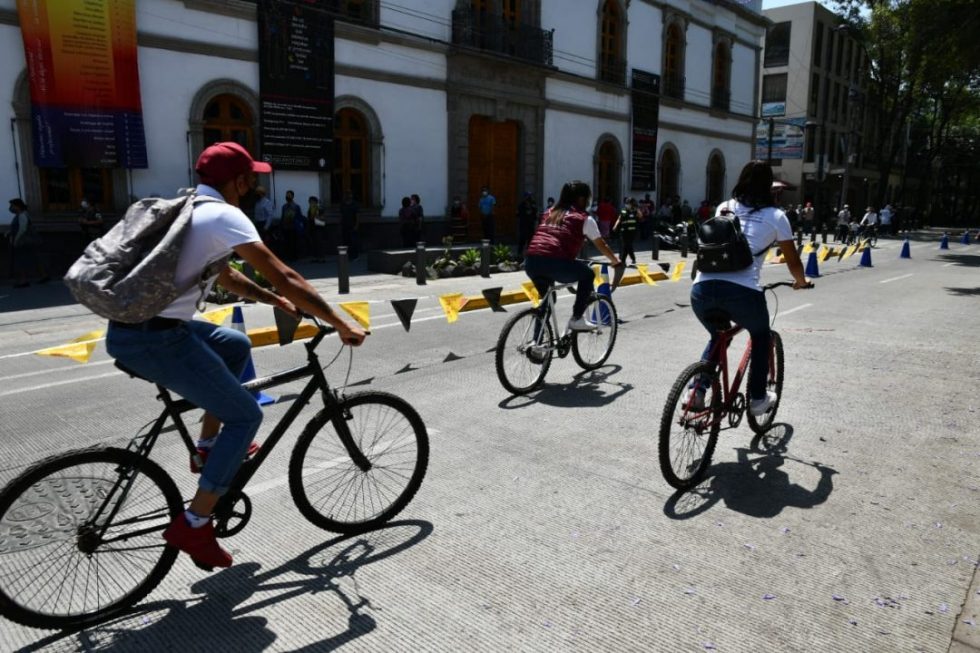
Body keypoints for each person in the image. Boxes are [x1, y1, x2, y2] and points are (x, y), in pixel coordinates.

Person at [104, 142, 366, 569]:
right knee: (246, 415)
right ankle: (195, 522)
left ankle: (206, 446)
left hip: (141, 328)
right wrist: (339, 321)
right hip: (156, 338)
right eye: (251, 179)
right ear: (238, 181)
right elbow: (285, 273)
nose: (254, 187)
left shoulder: (190, 207)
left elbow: (230, 277)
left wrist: (273, 301)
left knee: (235, 345)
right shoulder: (225, 215)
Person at [689, 161, 809, 416]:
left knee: (718, 335)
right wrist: (801, 281)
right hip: (742, 293)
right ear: (769, 186)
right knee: (761, 335)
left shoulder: (725, 207)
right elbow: (792, 260)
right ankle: (757, 399)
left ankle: (696, 391)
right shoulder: (776, 216)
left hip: (701, 289)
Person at [524, 180, 622, 332]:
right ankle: (577, 318)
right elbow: (601, 245)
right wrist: (615, 261)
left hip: (531, 261)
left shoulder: (549, 212)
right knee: (587, 275)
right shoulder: (583, 218)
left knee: (547, 302)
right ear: (582, 199)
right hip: (556, 262)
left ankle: (536, 345)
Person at [8, 198, 49, 288]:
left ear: (17, 206)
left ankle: (23, 281)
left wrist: (16, 240)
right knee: (35, 258)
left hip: (24, 242)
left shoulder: (22, 215)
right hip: (27, 241)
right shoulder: (20, 215)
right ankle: (43, 276)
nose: (10, 208)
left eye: (12, 206)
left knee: (21, 261)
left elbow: (22, 229)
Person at [613, 197, 640, 264]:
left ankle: (625, 260)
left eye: (628, 203)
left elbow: (640, 216)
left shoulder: (635, 211)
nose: (627, 205)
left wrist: (637, 208)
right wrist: (615, 226)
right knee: (627, 245)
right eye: (626, 203)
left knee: (628, 245)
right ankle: (628, 259)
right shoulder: (624, 211)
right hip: (624, 232)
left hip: (632, 232)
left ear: (632, 204)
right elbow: (619, 218)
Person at [280, 190, 304, 260]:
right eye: (287, 195)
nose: (287, 196)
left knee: (293, 242)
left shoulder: (296, 206)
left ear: (292, 196)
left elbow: (299, 217)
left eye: (289, 195)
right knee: (286, 242)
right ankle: (288, 256)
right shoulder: (284, 206)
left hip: (293, 227)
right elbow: (283, 216)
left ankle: (294, 256)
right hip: (285, 227)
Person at [516, 192, 538, 256]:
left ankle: (530, 253)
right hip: (523, 225)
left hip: (530, 225)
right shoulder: (521, 205)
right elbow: (518, 214)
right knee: (522, 240)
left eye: (529, 197)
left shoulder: (533, 205)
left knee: (530, 240)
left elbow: (535, 215)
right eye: (527, 197)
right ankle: (519, 253)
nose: (528, 199)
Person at [339, 192, 359, 259]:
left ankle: (354, 256)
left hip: (352, 225)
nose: (348, 196)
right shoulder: (343, 204)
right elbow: (341, 215)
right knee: (345, 241)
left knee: (353, 242)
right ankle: (345, 256)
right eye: (346, 194)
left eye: (349, 194)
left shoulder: (355, 204)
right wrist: (341, 223)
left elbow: (357, 216)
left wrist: (356, 225)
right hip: (344, 226)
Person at [307, 196, 325, 262]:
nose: (310, 203)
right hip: (312, 228)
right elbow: (309, 218)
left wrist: (316, 216)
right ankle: (315, 257)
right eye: (310, 202)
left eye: (312, 202)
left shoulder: (319, 209)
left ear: (315, 202)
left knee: (319, 243)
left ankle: (321, 258)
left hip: (319, 228)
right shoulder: (310, 209)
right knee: (314, 243)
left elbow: (322, 218)